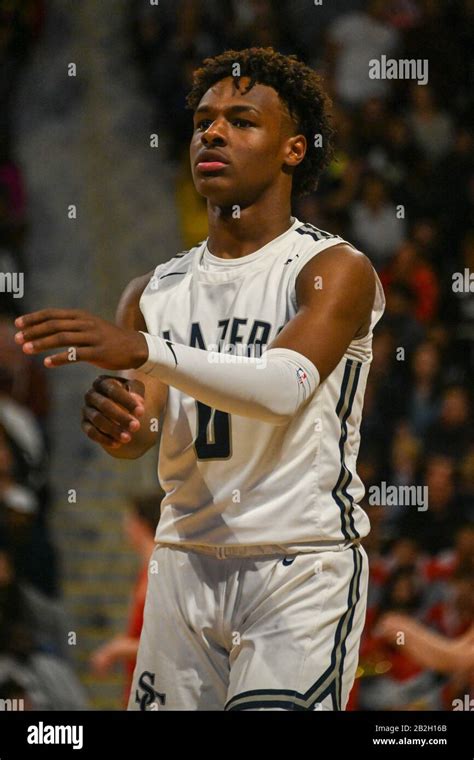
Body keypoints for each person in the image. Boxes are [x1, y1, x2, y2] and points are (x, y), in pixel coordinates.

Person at [13, 47, 385, 711]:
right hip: (182, 562)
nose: (213, 132)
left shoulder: (332, 267)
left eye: (242, 121)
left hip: (297, 567)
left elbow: (283, 386)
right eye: (204, 121)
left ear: (293, 149)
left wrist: (145, 351)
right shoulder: (155, 290)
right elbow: (144, 430)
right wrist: (123, 423)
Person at [90, 491, 163, 703]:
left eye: (129, 519)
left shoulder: (157, 571)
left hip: (154, 689)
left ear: (141, 523)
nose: (125, 526)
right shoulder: (147, 570)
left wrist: (115, 649)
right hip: (142, 684)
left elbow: (164, 642)